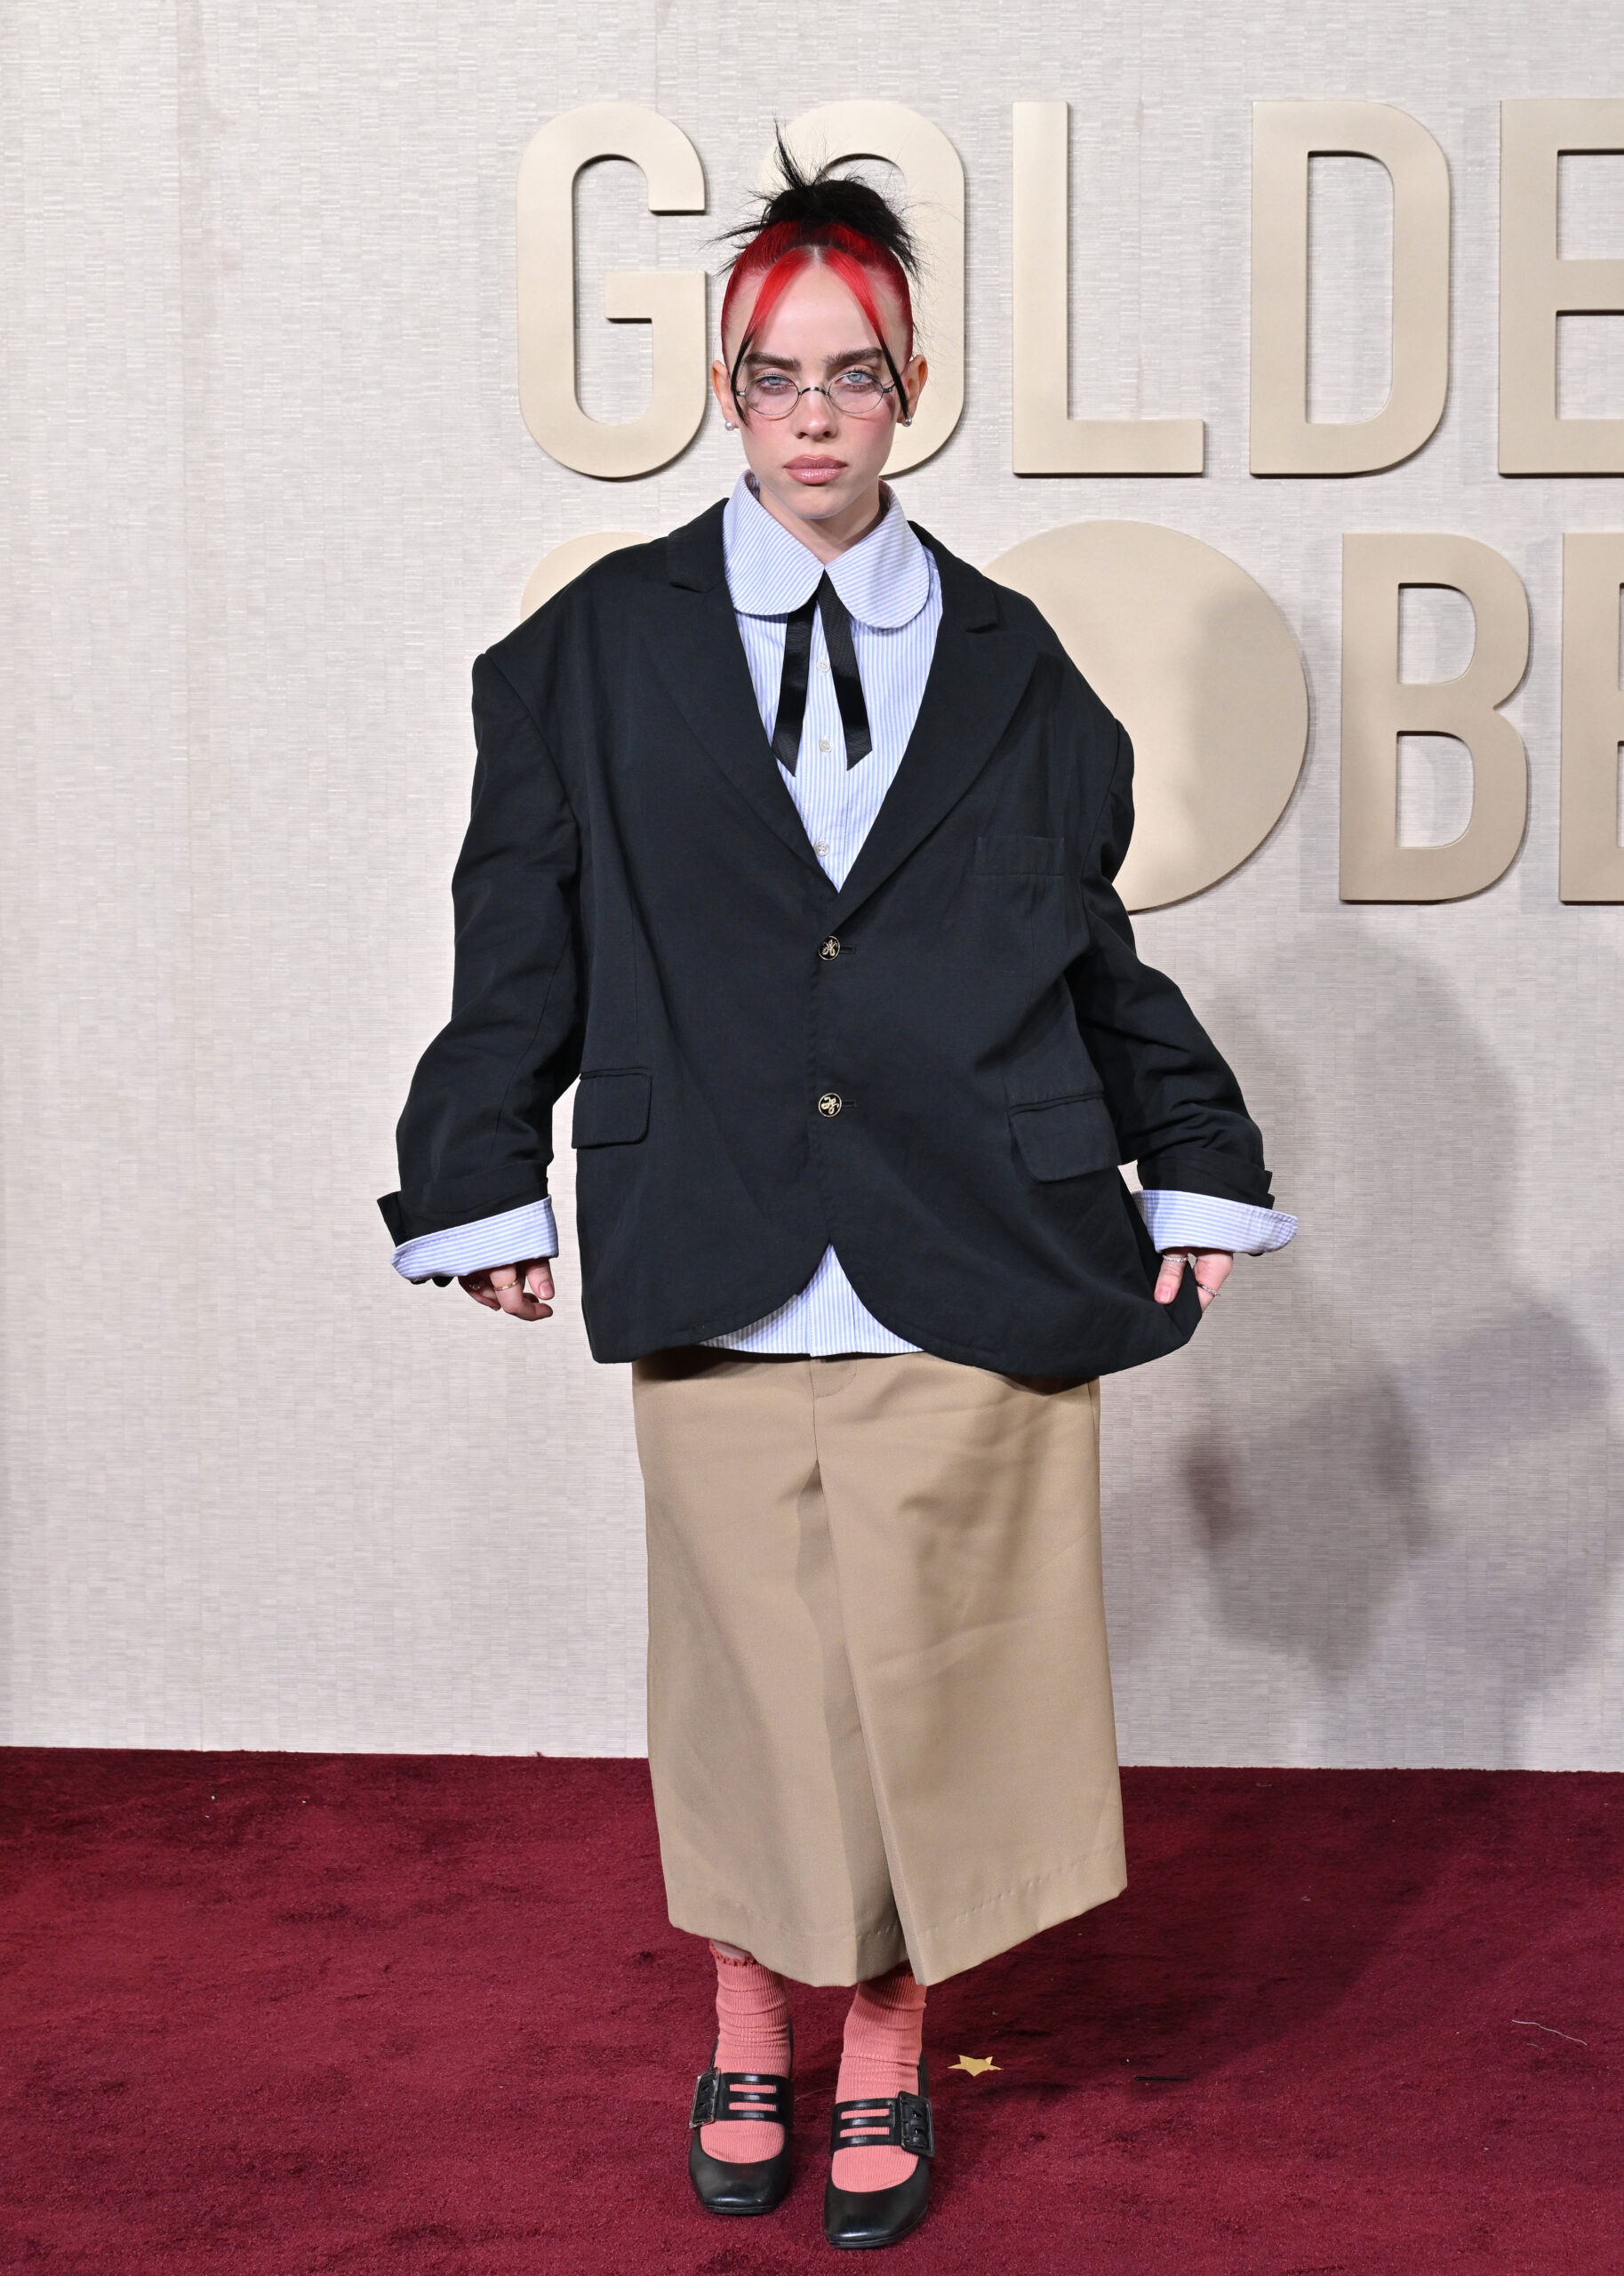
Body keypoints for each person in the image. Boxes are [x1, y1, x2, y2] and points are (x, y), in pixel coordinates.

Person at [380, 148, 1294, 2253]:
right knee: (752, 1669)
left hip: (974, 1225)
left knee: (938, 1665)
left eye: (855, 375)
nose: (814, 414)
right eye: (776, 375)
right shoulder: (587, 654)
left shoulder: (1015, 663)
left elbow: (1081, 947)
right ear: (722, 386)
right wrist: (473, 1170)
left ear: (909, 394)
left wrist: (1204, 1160)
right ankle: (743, 1992)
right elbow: (515, 931)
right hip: (709, 1220)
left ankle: (882, 2018)